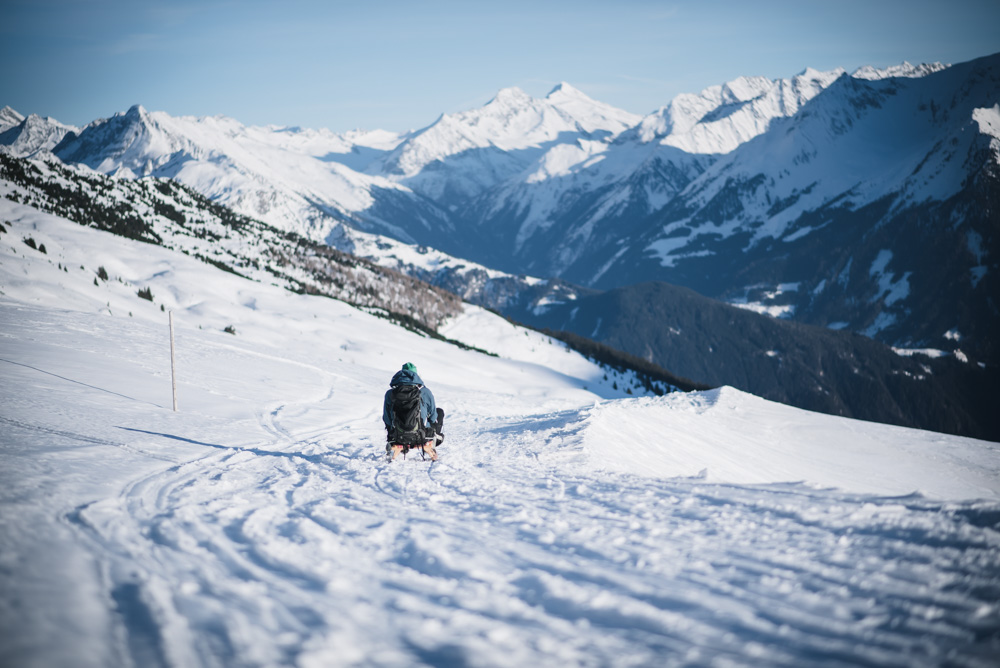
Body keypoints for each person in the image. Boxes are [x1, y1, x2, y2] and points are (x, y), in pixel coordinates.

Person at [382, 363, 444, 461]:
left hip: (398, 436)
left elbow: (387, 418)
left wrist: (392, 431)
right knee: (439, 412)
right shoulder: (425, 391)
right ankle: (436, 439)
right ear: (416, 376)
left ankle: (400, 446)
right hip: (422, 436)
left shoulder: (390, 393)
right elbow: (433, 416)